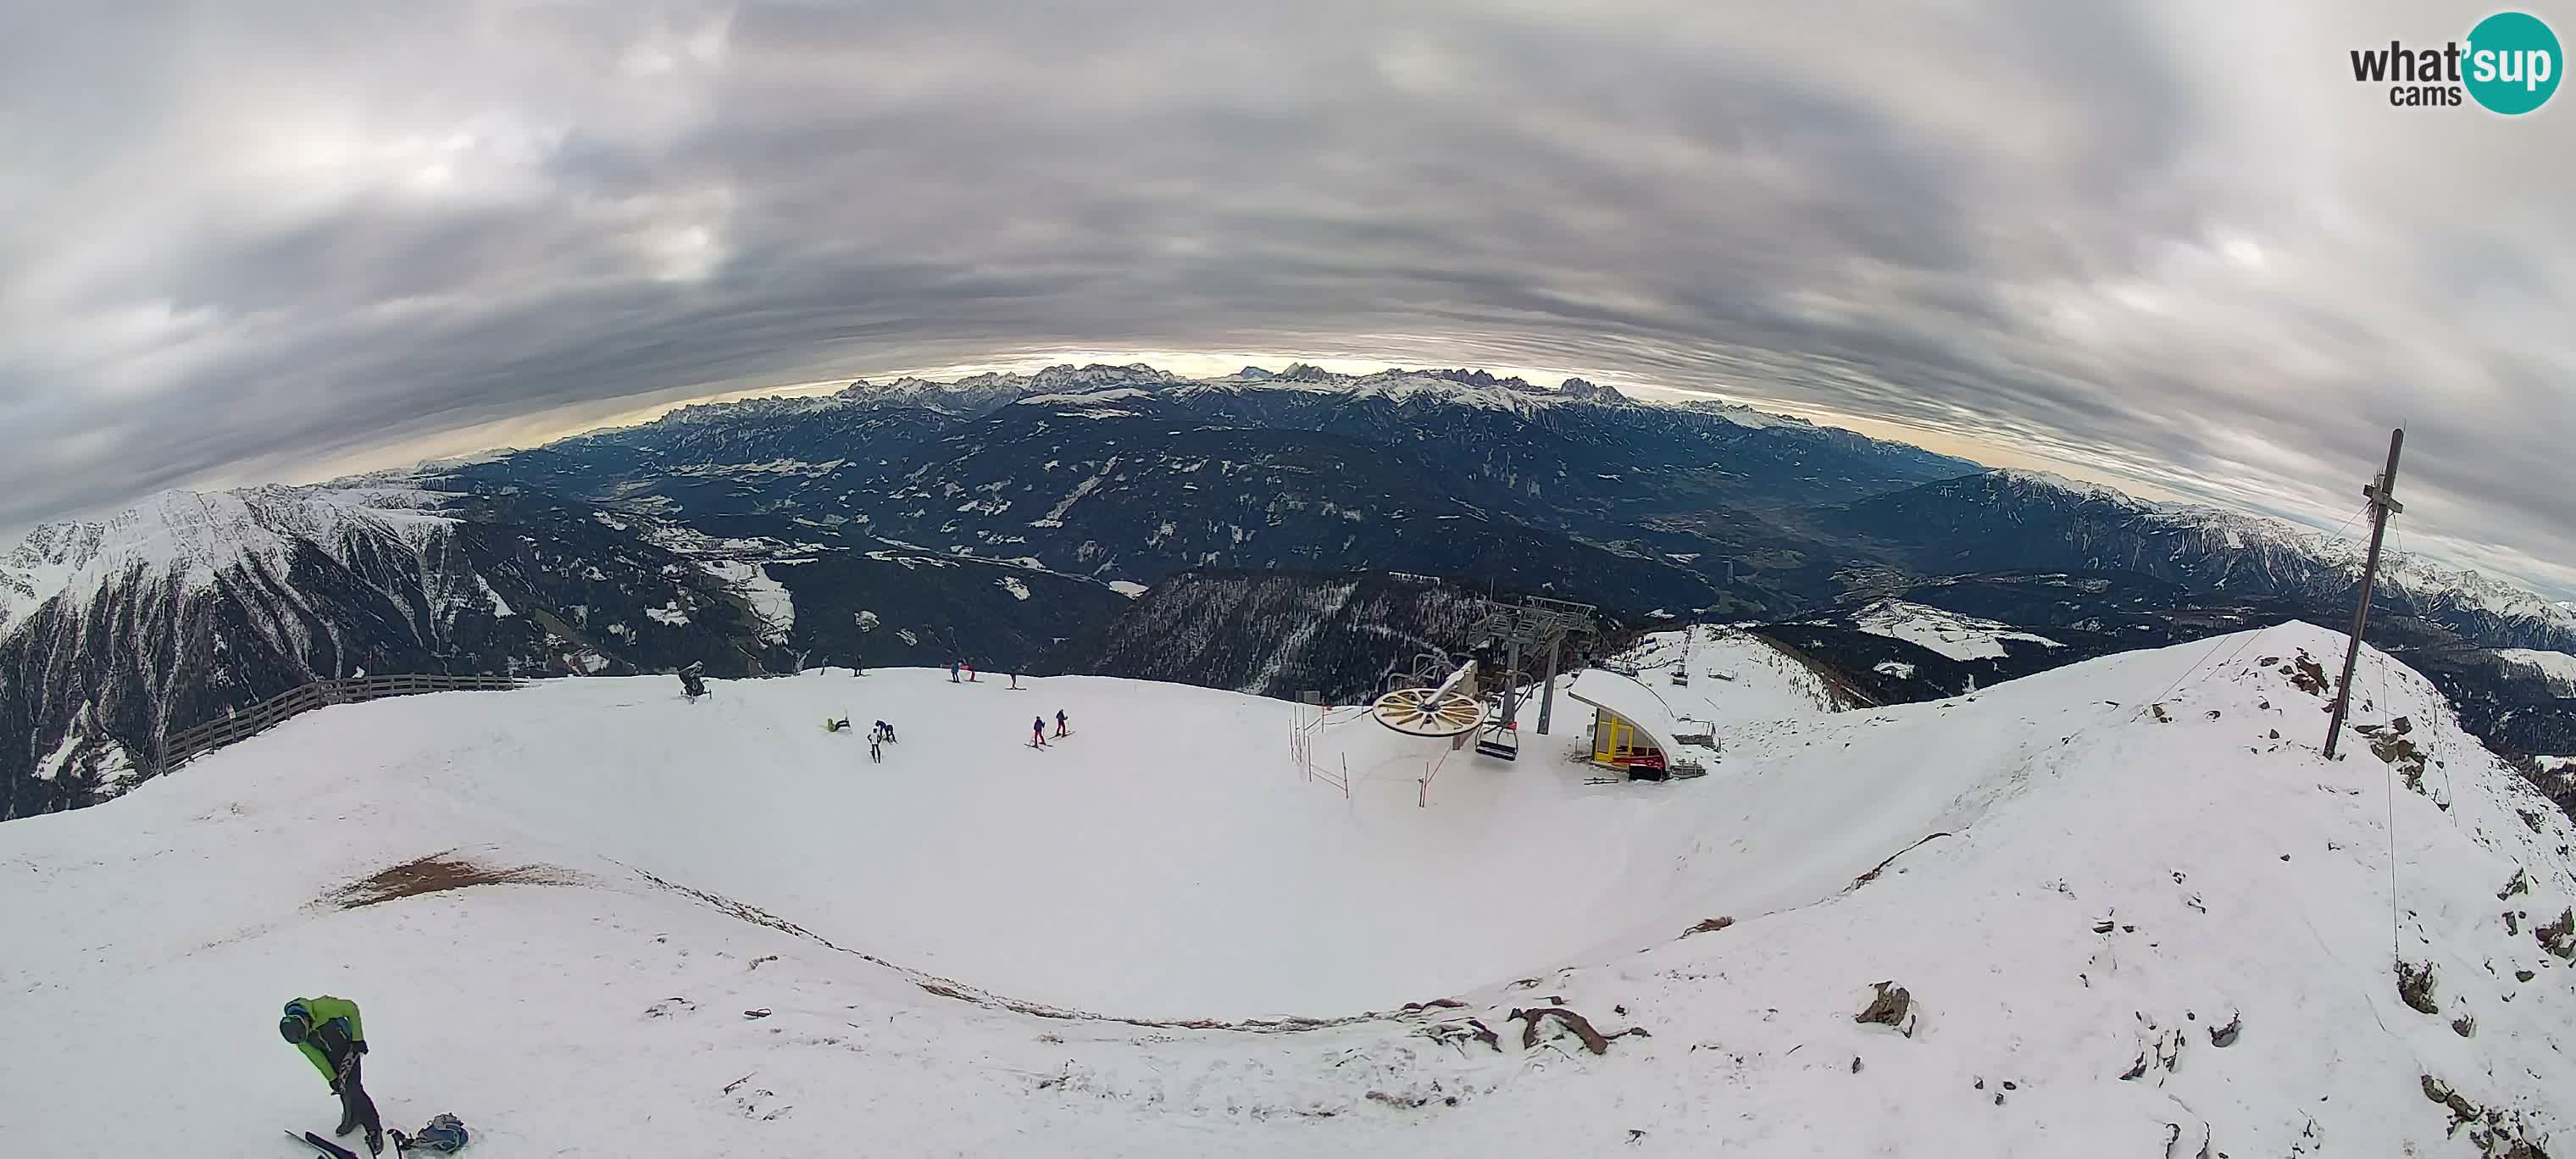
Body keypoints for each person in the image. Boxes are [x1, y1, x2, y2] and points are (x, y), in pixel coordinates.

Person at [280, 996, 383, 1155]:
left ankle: (374, 1128)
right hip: (330, 1054)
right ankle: (353, 1115)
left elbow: (351, 1008)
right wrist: (332, 1078)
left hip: (349, 1048)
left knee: (354, 1089)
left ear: (304, 1020)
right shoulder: (299, 1037)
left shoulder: (323, 1006)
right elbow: (316, 1058)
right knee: (343, 1088)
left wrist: (358, 1039)